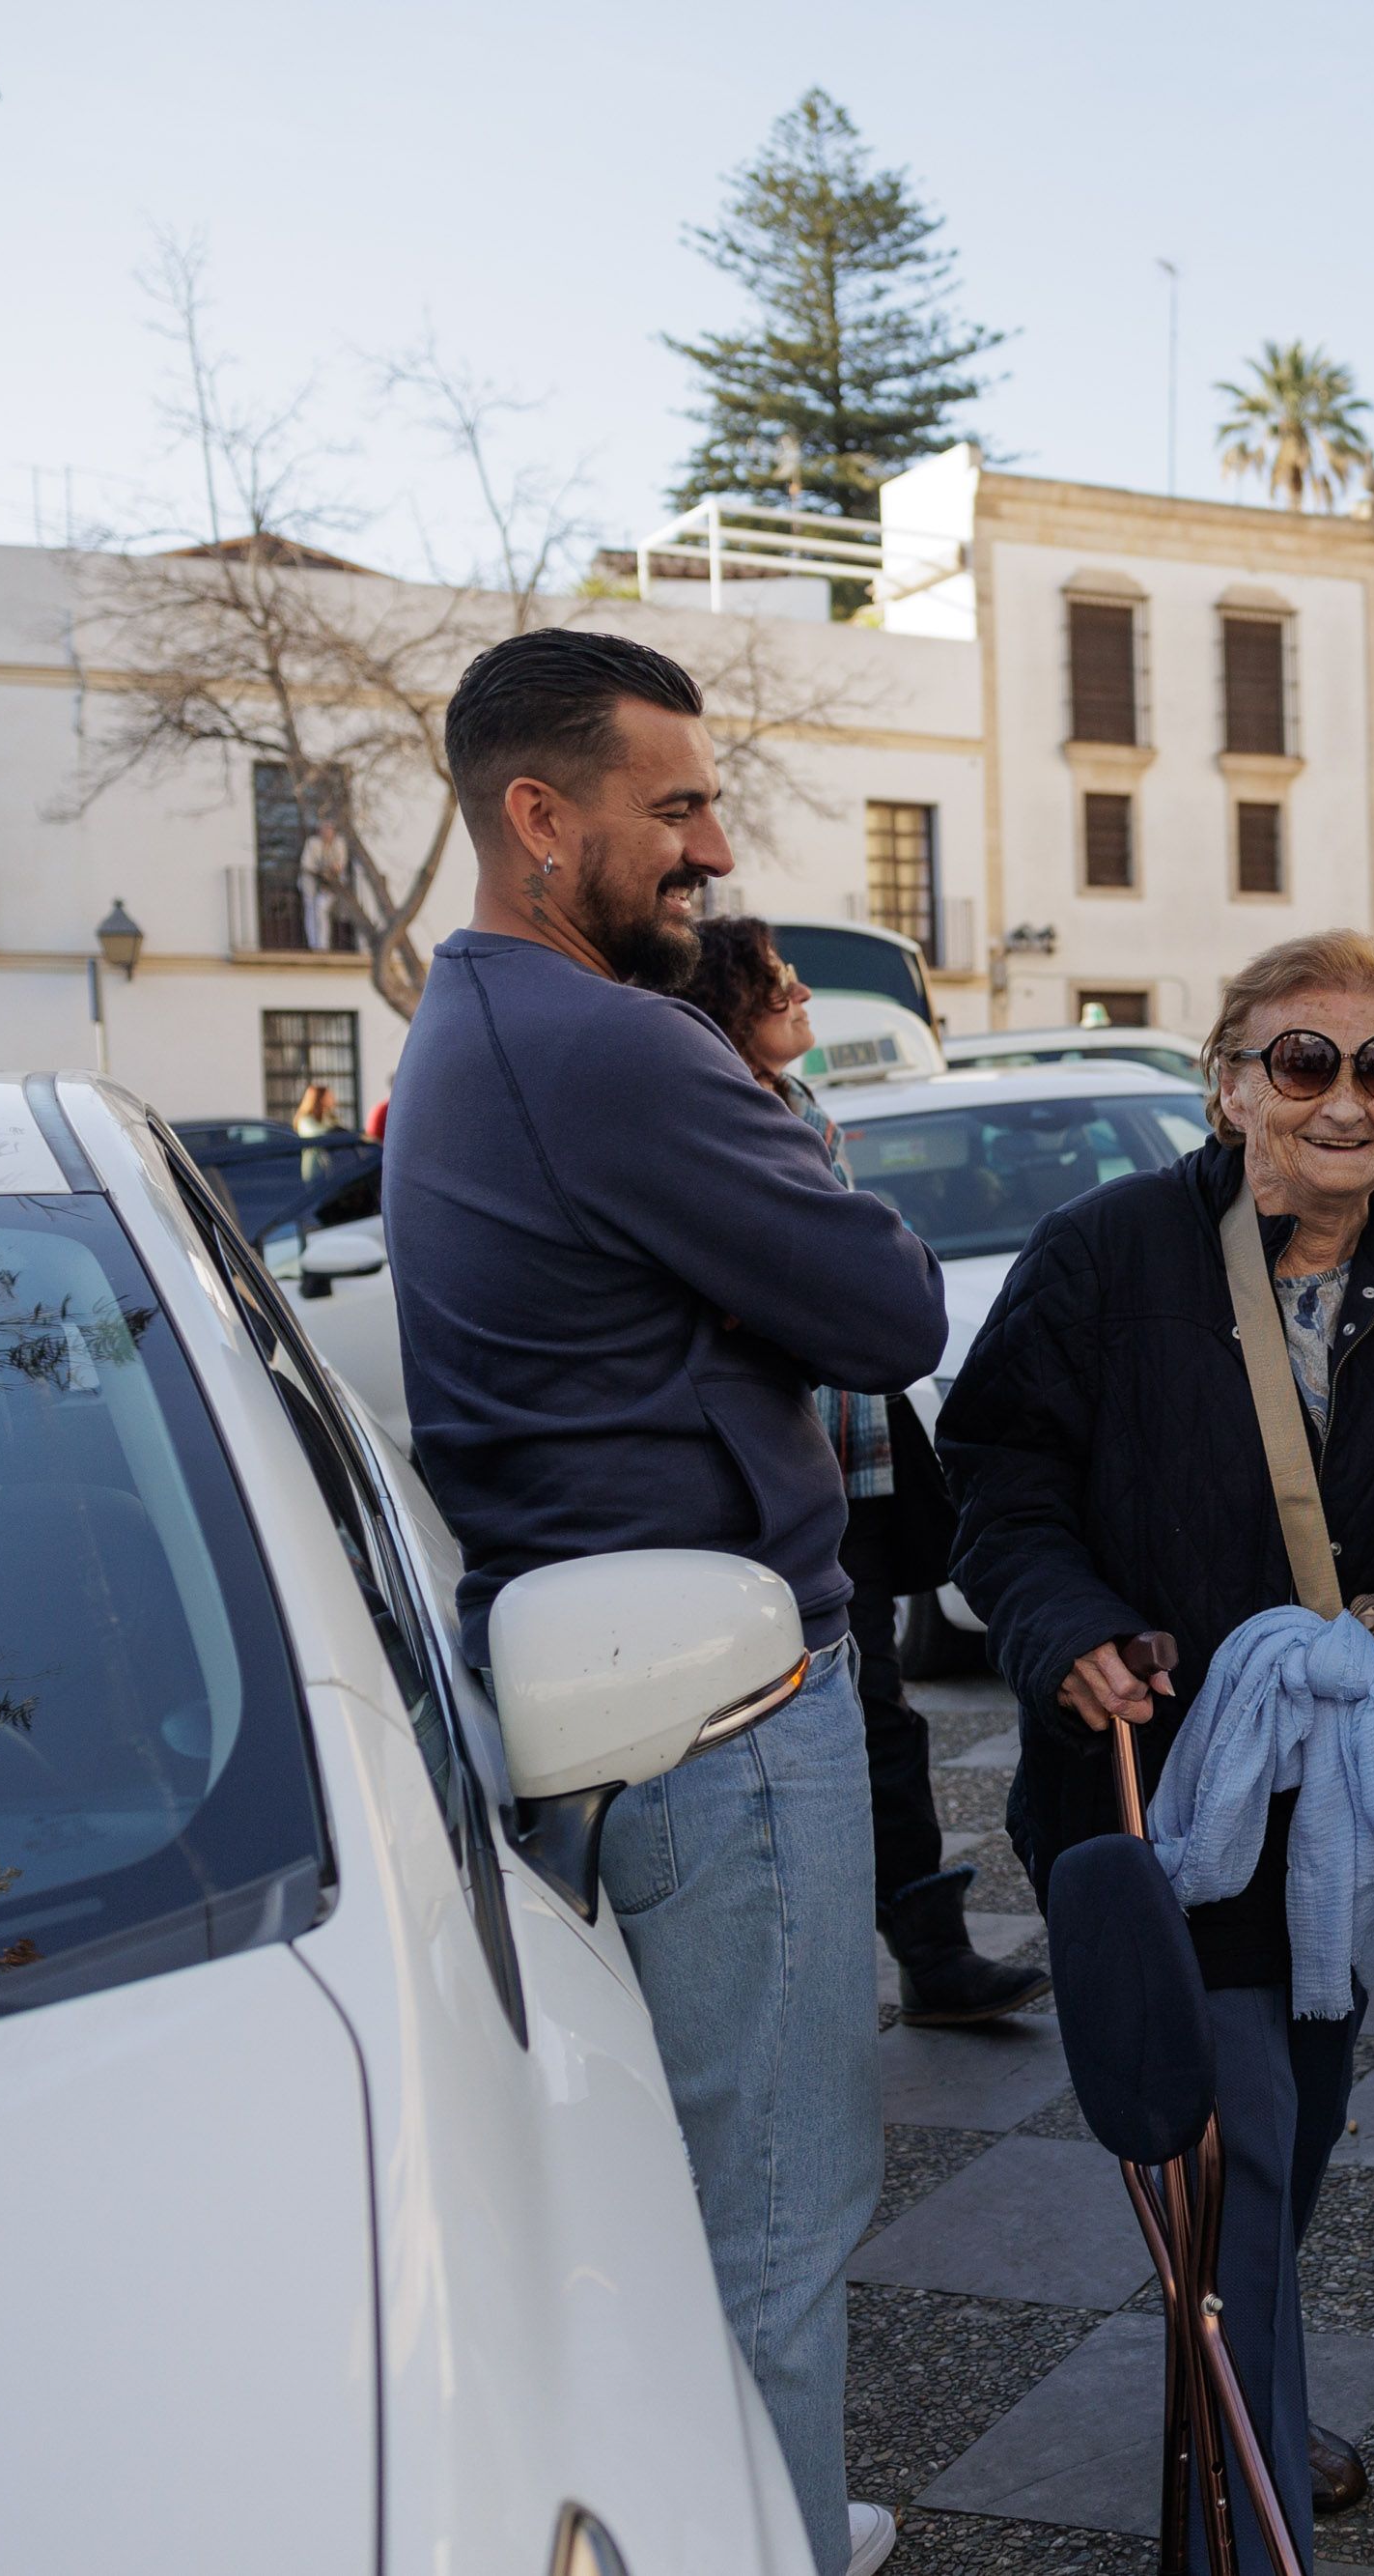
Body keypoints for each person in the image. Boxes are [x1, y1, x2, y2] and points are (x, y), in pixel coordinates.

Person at [939, 930, 1374, 2570]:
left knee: (1287, 2138)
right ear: (1229, 1081)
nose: (1347, 1096)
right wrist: (1068, 1630)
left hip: (1332, 1814)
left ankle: (1244, 2373)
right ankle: (1238, 2513)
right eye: (1304, 1060)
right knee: (1244, 2138)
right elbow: (993, 1480)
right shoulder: (1107, 1254)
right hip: (1155, 1780)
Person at [380, 627, 943, 2576]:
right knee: (777, 2219)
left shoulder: (468, 1023)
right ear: (541, 816)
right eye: (675, 803)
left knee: (681, 2196)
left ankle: (754, 2513)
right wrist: (768, 1110)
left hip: (597, 1694)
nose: (713, 846)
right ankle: (769, 2537)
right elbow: (887, 1308)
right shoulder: (612, 1044)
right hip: (719, 1716)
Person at [673, 915, 1052, 2024]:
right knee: (784, 1723)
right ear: (723, 1005)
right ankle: (815, 1968)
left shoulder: (794, 1107)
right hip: (767, 1477)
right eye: (776, 981)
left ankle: (929, 1954)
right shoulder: (723, 1123)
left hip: (852, 1460)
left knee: (877, 1710)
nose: (800, 995)